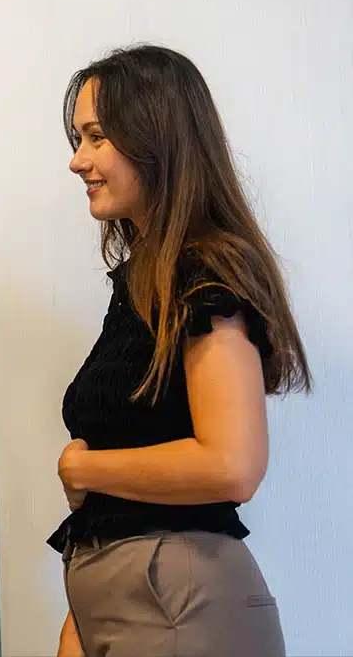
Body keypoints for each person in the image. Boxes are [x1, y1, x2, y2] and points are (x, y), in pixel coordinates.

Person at [49, 45, 311, 657]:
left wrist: (83, 468)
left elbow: (231, 466)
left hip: (178, 606)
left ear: (155, 140)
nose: (76, 160)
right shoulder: (147, 279)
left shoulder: (201, 275)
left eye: (95, 137)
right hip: (133, 603)